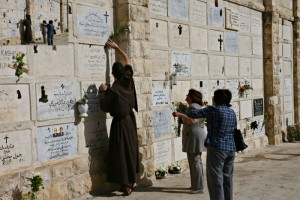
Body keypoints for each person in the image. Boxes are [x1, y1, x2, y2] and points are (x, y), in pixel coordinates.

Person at [173, 89, 237, 200]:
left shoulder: (213, 110)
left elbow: (193, 114)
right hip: (231, 149)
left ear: (216, 99)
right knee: (227, 178)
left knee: (215, 179)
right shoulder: (231, 111)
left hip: (217, 148)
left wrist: (183, 112)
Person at [99, 40, 139, 196]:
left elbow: (104, 107)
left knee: (122, 153)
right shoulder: (128, 80)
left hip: (120, 124)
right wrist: (116, 48)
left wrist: (103, 91)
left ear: (113, 74)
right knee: (130, 150)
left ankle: (129, 183)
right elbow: (128, 59)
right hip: (130, 120)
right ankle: (131, 180)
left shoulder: (113, 90)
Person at [181, 89, 207, 194]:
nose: (186, 96)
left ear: (191, 97)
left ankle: (198, 187)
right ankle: (196, 185)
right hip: (199, 134)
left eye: (188, 95)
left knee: (195, 162)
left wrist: (180, 115)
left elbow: (192, 121)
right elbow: (200, 120)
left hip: (193, 137)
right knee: (197, 161)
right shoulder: (199, 107)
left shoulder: (192, 107)